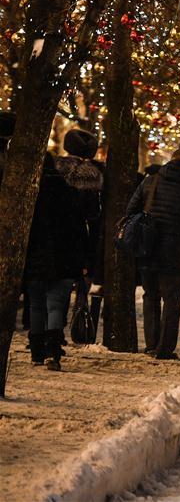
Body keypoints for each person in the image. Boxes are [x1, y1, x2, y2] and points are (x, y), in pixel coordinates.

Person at [126, 149, 180, 359]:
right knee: (172, 301)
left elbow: (131, 210)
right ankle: (164, 348)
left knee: (150, 296)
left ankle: (151, 344)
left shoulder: (150, 181)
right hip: (174, 250)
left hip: (148, 248)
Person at [24, 154, 89, 370]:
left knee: (36, 305)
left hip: (36, 259)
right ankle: (53, 353)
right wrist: (82, 260)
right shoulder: (69, 193)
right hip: (64, 259)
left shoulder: (31, 194)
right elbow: (79, 230)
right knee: (54, 306)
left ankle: (36, 353)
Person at [56, 129, 104, 319]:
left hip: (56, 234)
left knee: (58, 285)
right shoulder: (93, 175)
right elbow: (93, 215)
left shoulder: (55, 169)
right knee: (82, 279)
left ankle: (55, 324)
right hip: (82, 236)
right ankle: (79, 315)